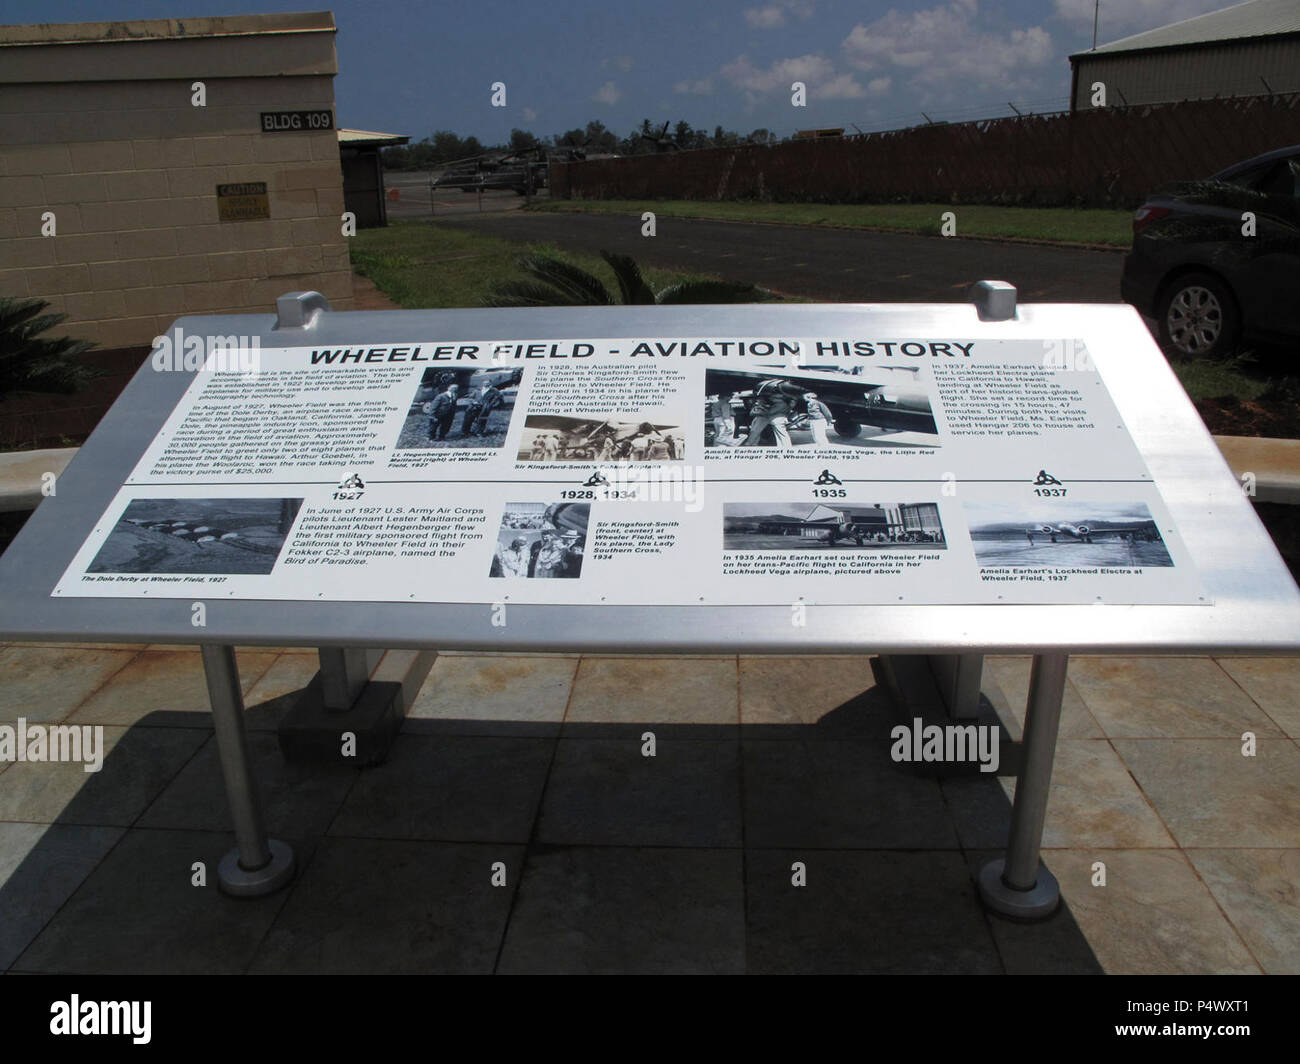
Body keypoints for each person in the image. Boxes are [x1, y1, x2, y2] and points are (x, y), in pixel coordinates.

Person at [741, 377, 805, 447]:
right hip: (770, 416)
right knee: (756, 431)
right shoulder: (782, 399)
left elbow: (773, 410)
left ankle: (785, 447)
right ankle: (750, 444)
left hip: (774, 416)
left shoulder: (782, 401)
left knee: (759, 431)